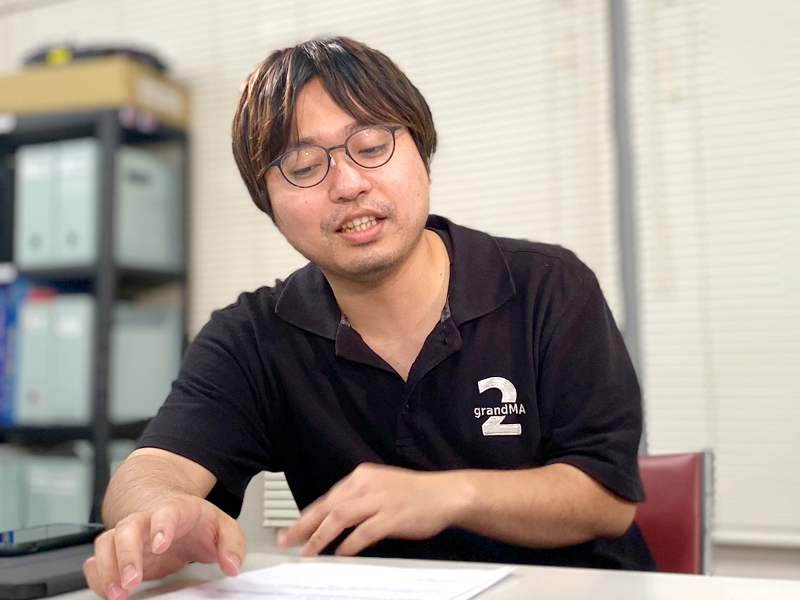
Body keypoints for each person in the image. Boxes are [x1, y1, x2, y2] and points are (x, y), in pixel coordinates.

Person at [83, 36, 654, 600]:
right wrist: (158, 514)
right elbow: (151, 468)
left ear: (422, 154)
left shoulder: (547, 286)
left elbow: (607, 496)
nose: (349, 184)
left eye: (373, 145)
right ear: (270, 205)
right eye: (304, 165)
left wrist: (445, 496)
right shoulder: (253, 335)